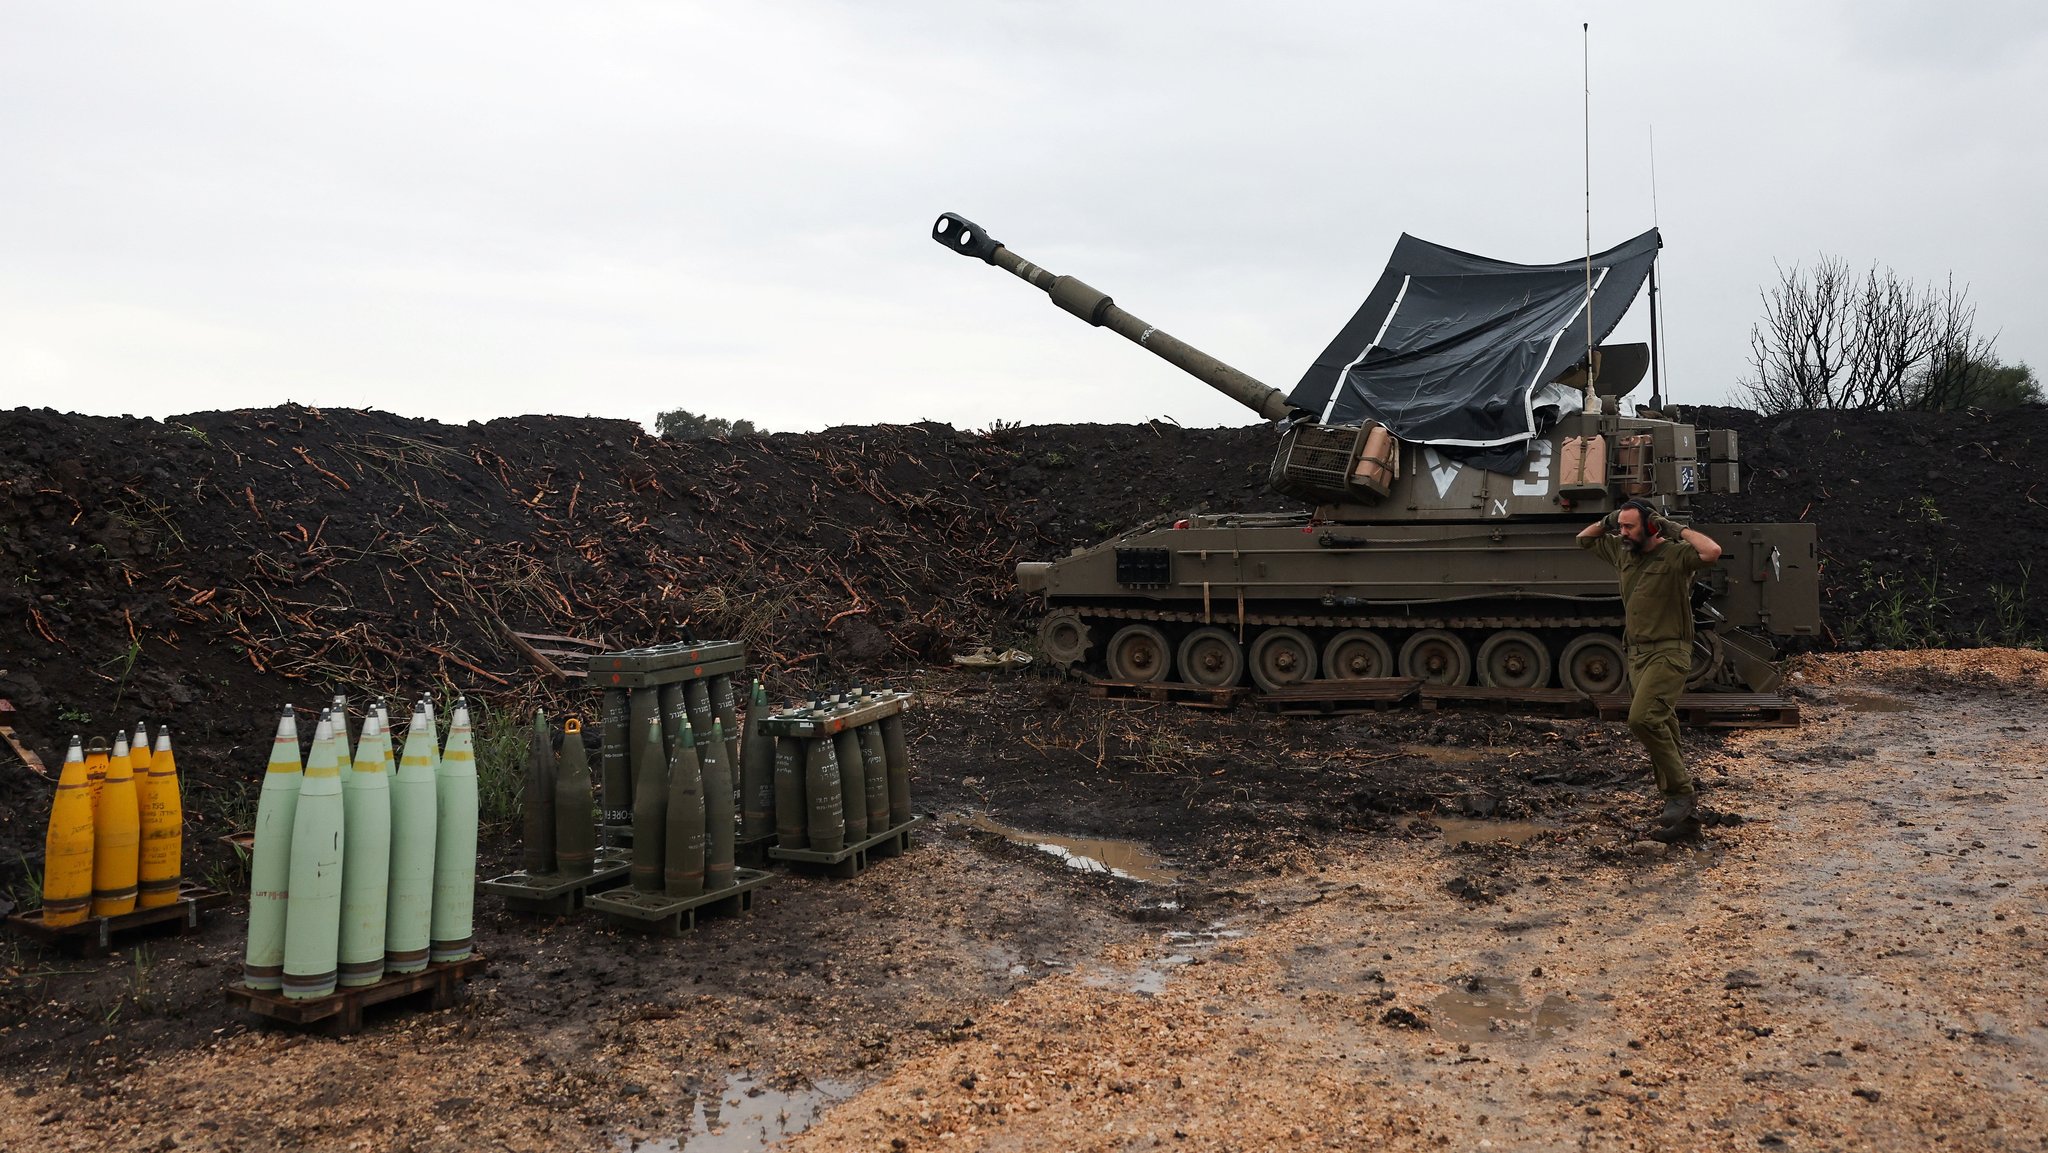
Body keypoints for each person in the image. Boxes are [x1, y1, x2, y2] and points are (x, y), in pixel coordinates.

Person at [1577, 499, 1723, 841]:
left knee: (1643, 719)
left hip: (1669, 651)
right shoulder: (1622, 551)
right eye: (1620, 527)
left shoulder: (1674, 555)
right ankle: (1685, 824)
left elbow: (1712, 551)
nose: (1622, 532)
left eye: (1630, 527)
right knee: (1664, 727)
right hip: (1638, 654)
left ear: (1652, 527)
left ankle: (1681, 794)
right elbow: (1584, 539)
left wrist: (1674, 528)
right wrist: (1610, 518)